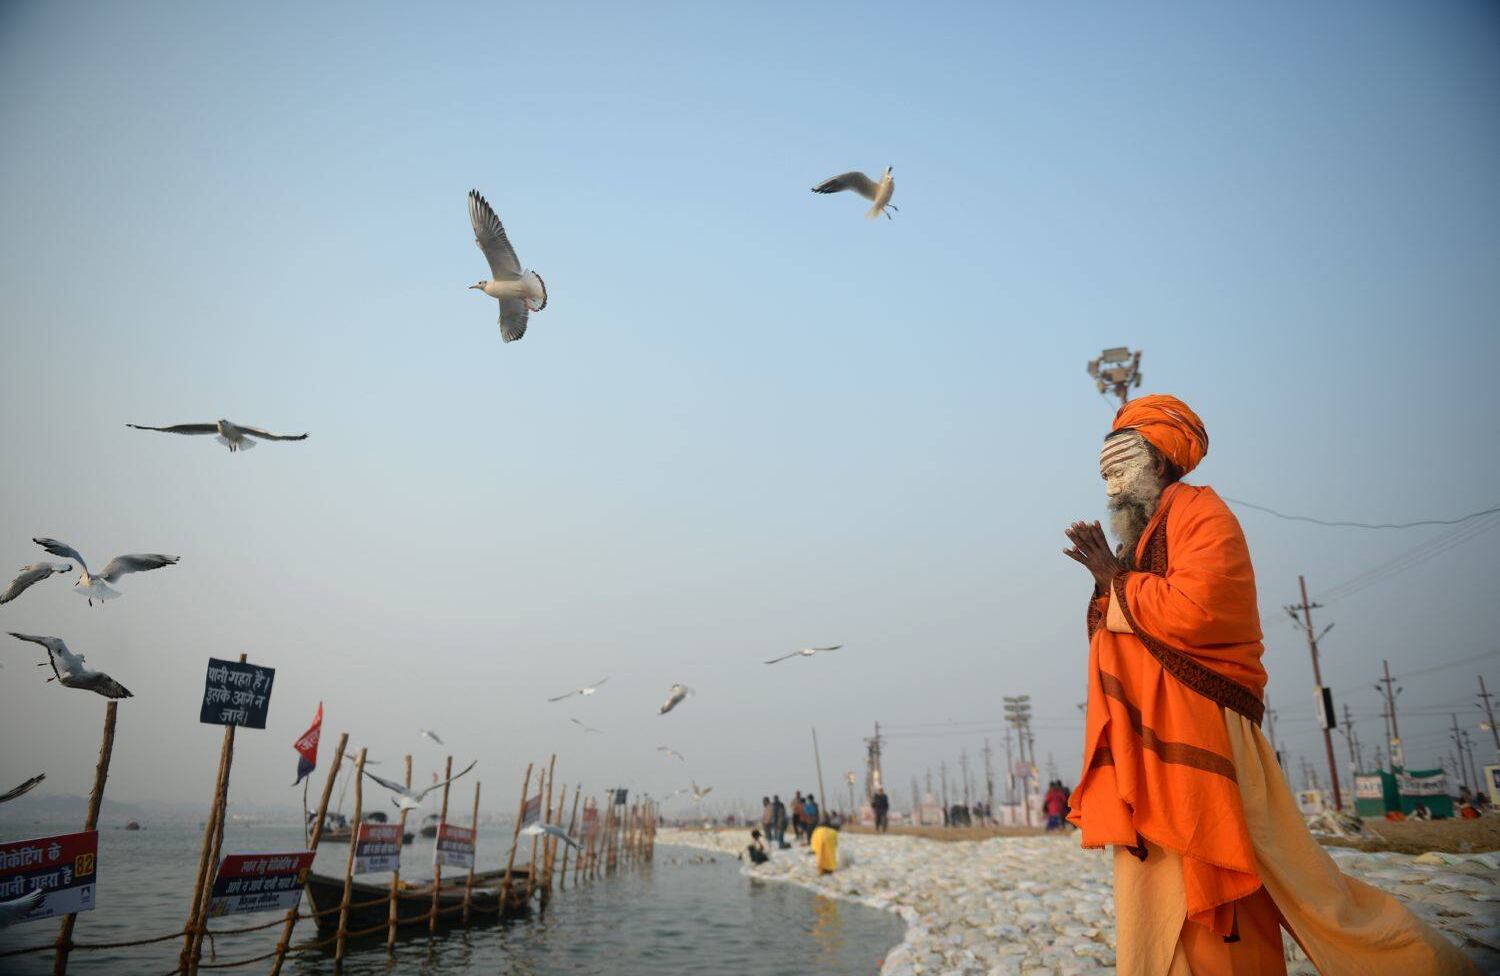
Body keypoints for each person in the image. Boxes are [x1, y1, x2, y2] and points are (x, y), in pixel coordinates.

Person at [1063, 394, 1474, 975]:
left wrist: (1115, 581)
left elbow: (1200, 613)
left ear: (1159, 462)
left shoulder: (1203, 513)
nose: (1112, 490)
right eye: (1104, 476)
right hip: (1153, 752)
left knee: (1288, 888)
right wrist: (1112, 579)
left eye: (1122, 469)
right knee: (1162, 898)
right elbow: (1124, 630)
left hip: (1210, 737)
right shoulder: (1143, 532)